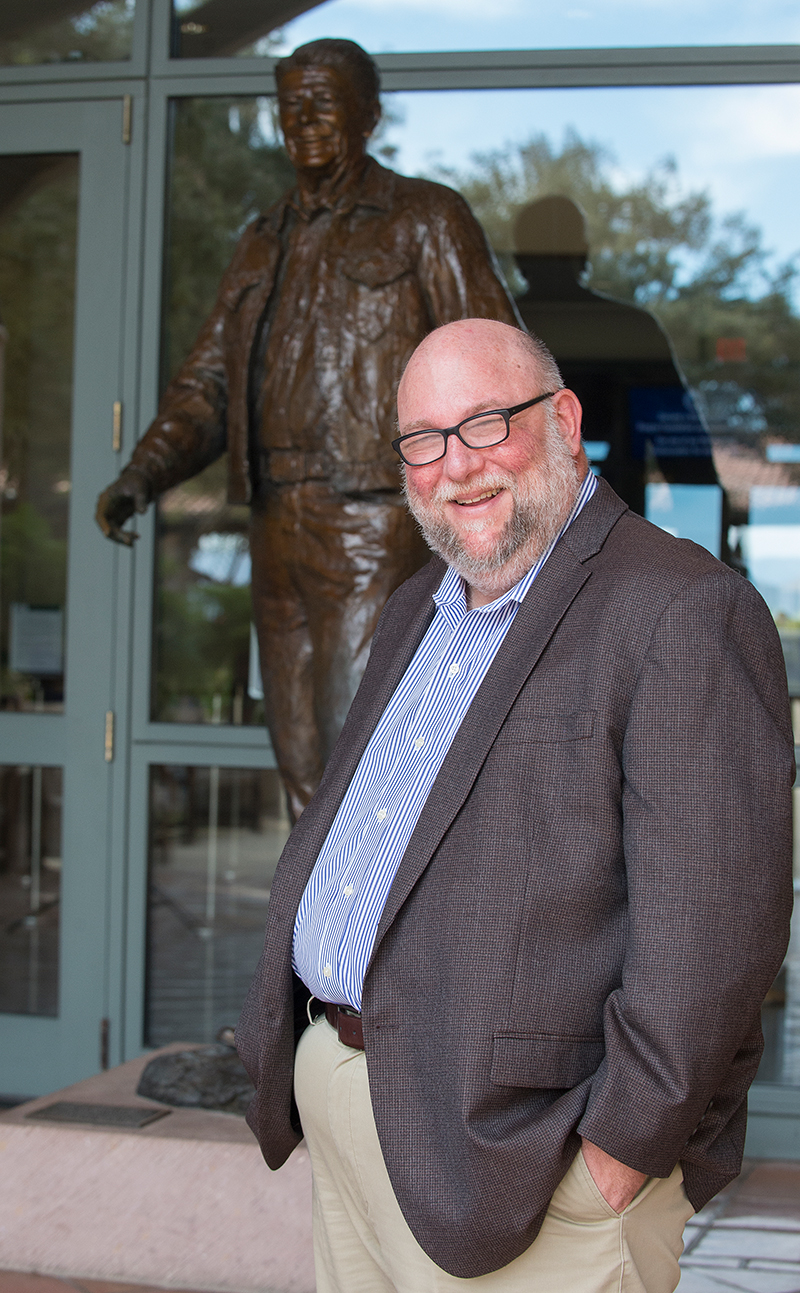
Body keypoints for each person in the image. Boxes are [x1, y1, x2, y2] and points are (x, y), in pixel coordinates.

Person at [236, 317, 794, 1292]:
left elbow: (714, 933)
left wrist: (616, 1151)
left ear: (564, 421)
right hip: (353, 1107)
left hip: (523, 1161)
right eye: (422, 440)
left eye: (487, 423)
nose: (455, 466)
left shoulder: (678, 608)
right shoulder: (418, 603)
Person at [94, 38, 519, 821]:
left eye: (324, 99)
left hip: (371, 520)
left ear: (368, 115)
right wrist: (143, 473)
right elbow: (209, 383)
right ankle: (312, 941)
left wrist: (497, 513)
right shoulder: (263, 238)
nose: (304, 117)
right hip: (273, 524)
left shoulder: (426, 218)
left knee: (358, 753)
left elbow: (497, 366)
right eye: (291, 101)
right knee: (297, 759)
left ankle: (372, 940)